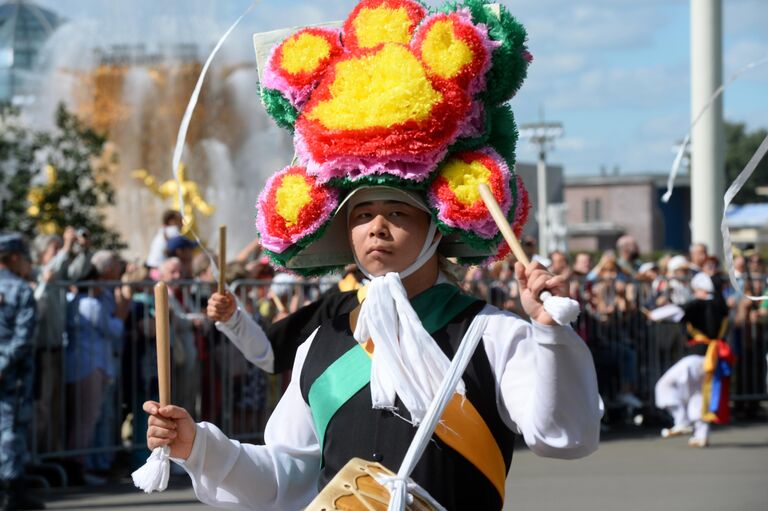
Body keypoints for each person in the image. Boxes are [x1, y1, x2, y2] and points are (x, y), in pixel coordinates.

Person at [145, 2, 601, 508]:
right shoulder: (324, 342)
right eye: (361, 216)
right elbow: (284, 478)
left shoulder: (493, 334)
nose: (376, 228)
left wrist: (551, 333)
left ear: (436, 229)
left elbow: (563, 436)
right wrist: (198, 447)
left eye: (398, 213)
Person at [649, 272, 733, 447]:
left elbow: (677, 311)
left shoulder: (699, 304)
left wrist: (654, 314)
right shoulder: (721, 306)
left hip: (696, 356)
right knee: (698, 394)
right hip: (713, 358)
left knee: (664, 385)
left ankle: (681, 420)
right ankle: (701, 435)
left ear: (702, 290)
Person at [0, 233, 45, 510]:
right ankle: (10, 495)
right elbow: (23, 336)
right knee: (11, 432)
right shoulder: (20, 290)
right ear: (14, 258)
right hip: (12, 376)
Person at [146, 210, 183, 278]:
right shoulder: (173, 230)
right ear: (172, 221)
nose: (183, 224)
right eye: (180, 220)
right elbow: (182, 246)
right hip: (160, 270)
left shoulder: (163, 230)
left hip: (152, 269)